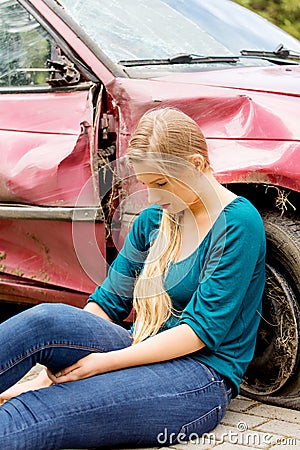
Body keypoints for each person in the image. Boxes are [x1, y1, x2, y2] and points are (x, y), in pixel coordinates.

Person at [0, 108, 266, 449]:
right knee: (44, 320)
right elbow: (109, 301)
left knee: (35, 412)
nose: (153, 197)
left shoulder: (238, 224)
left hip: (200, 376)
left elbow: (200, 333)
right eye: (147, 184)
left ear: (197, 166)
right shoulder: (154, 220)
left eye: (162, 183)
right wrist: (42, 376)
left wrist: (101, 364)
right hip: (139, 344)